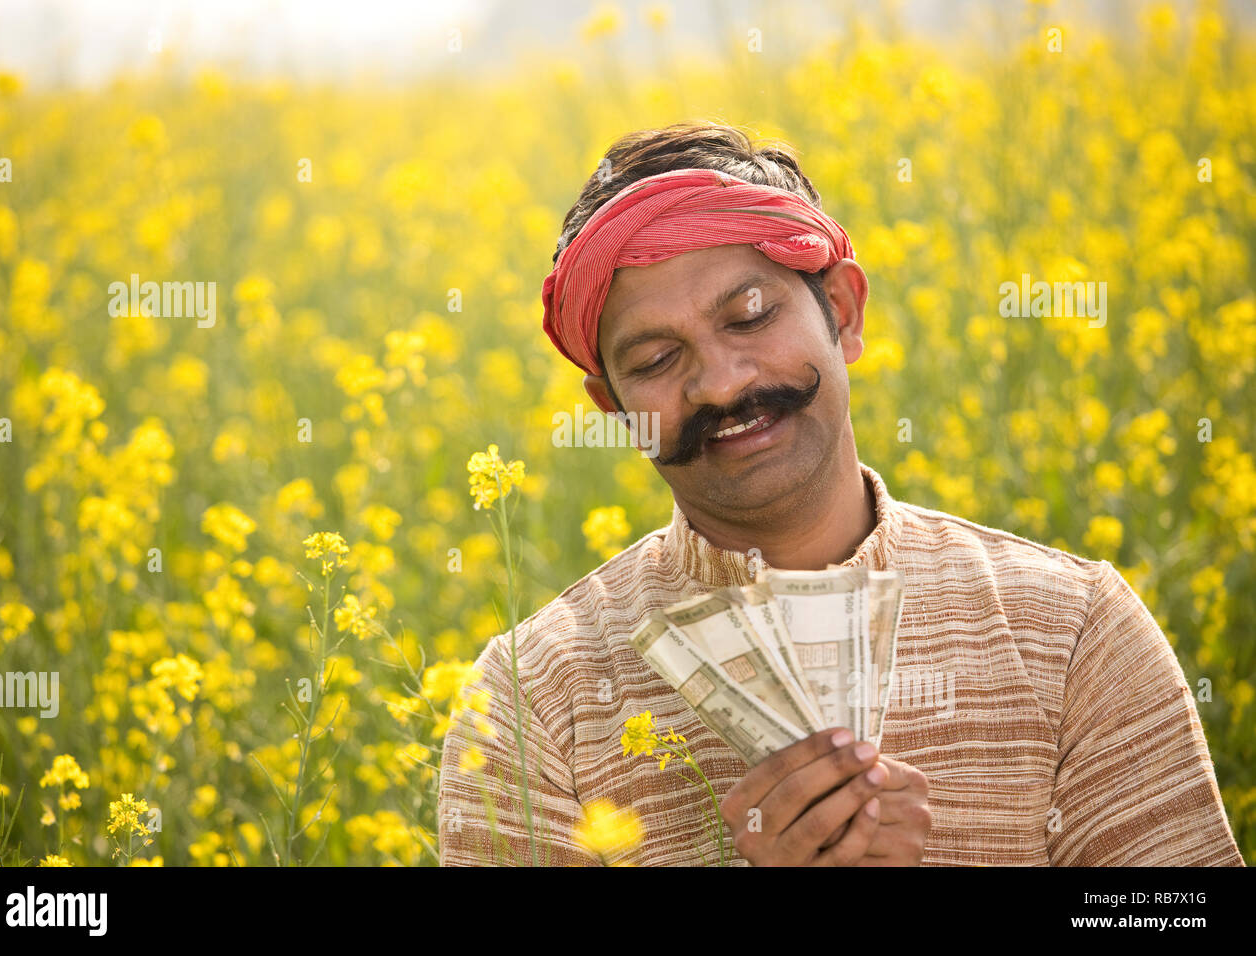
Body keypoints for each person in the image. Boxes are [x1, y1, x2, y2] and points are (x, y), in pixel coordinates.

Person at [437, 121, 1244, 866]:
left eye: (750, 316)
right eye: (654, 361)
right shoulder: (531, 701)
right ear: (615, 411)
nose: (721, 383)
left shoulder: (1071, 633)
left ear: (845, 311)